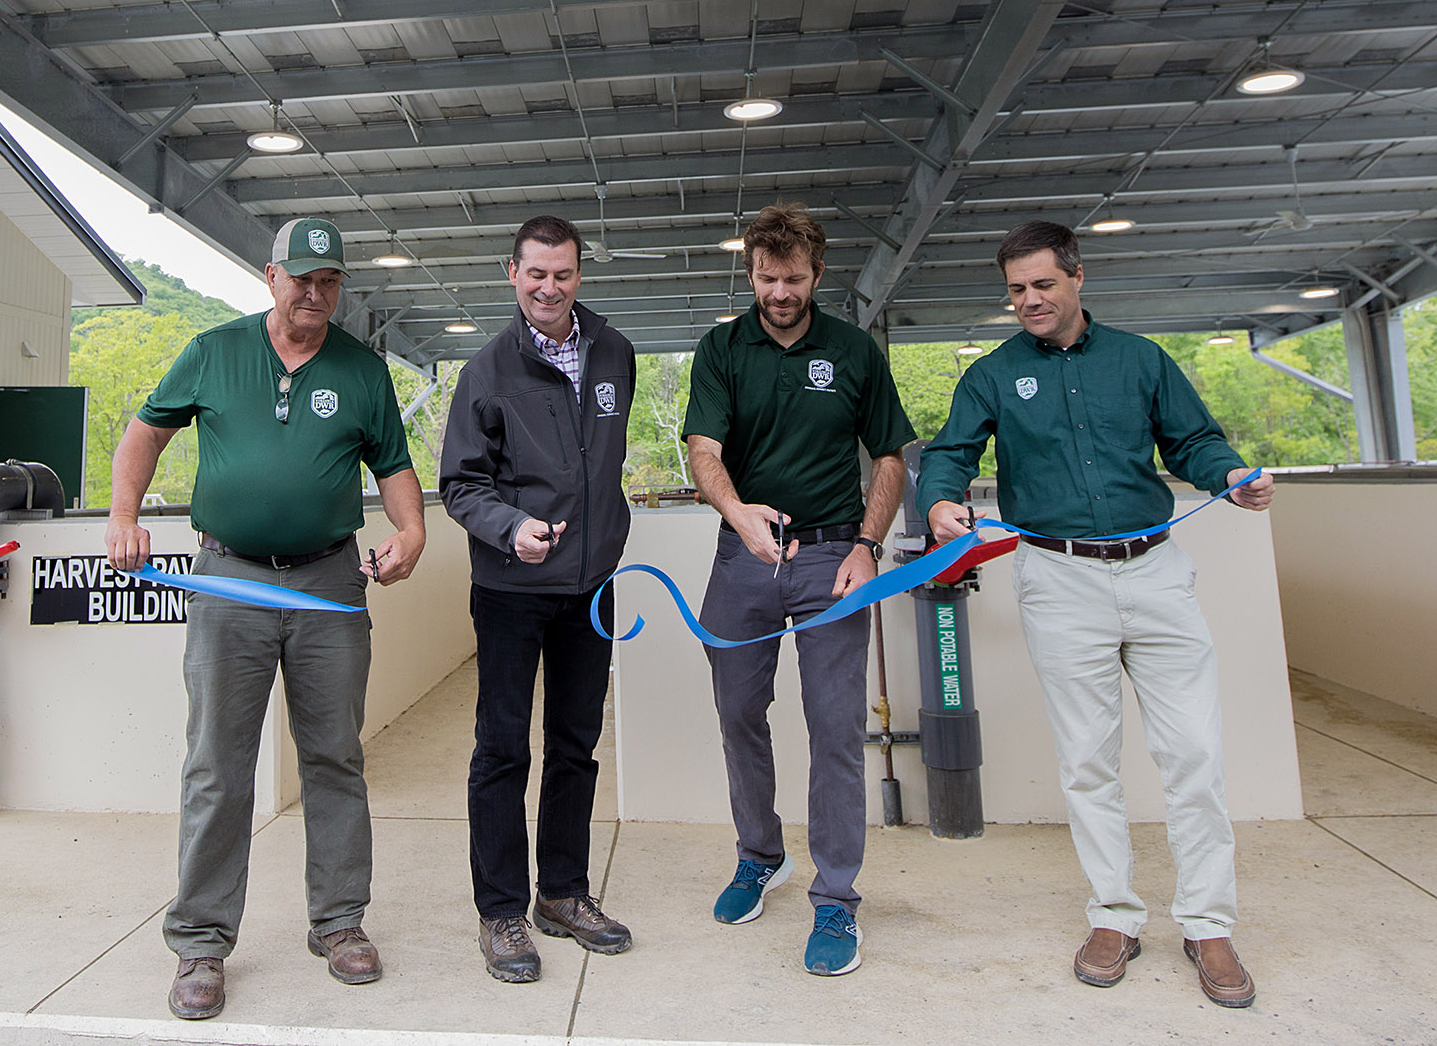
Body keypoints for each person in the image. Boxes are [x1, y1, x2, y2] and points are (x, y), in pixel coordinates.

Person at [916, 220, 1275, 1008]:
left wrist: (1232, 477)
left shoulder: (1141, 360)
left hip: (1155, 571)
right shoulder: (993, 374)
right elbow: (949, 451)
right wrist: (941, 500)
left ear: (1079, 277)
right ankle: (1113, 914)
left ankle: (1208, 924)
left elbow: (1195, 443)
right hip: (1058, 577)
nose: (1029, 301)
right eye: (1016, 290)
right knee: (1087, 759)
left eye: (1043, 284)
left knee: (1195, 755)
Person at [104, 216, 426, 1020]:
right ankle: (202, 942)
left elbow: (393, 468)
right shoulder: (214, 350)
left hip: (327, 581)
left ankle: (341, 922)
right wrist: (123, 515)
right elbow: (144, 432)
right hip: (230, 578)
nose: (315, 292)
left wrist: (412, 532)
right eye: (302, 277)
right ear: (271, 275)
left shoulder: (362, 370)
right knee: (216, 763)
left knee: (334, 757)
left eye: (330, 281)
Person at [682, 202, 914, 977]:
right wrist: (737, 511)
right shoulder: (721, 347)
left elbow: (890, 456)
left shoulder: (852, 349)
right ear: (749, 270)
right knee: (739, 711)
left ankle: (838, 898)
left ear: (818, 274)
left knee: (835, 724)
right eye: (766, 276)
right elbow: (703, 449)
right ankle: (760, 855)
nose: (779, 291)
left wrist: (867, 546)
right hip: (746, 554)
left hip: (831, 561)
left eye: (793, 278)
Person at [440, 215, 637, 983]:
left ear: (578, 275)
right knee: (501, 749)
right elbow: (460, 483)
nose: (548, 288)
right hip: (511, 589)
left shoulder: (615, 351)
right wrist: (509, 525)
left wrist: (605, 544)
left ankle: (562, 891)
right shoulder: (486, 370)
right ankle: (501, 913)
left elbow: (604, 468)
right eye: (535, 274)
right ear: (512, 274)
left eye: (562, 274)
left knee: (576, 746)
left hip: (591, 587)